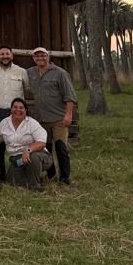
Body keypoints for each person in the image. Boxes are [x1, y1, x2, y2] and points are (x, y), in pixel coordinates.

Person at [29, 47, 77, 185]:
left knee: (61, 149)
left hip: (58, 120)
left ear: (48, 56)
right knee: (46, 149)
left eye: (42, 55)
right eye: (37, 56)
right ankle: (51, 175)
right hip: (41, 121)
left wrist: (68, 115)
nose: (40, 58)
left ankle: (65, 178)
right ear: (33, 58)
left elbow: (69, 96)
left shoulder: (60, 73)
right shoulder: (31, 73)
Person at [0, 97, 52, 191]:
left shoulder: (32, 123)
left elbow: (42, 142)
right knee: (11, 181)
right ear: (11, 109)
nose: (18, 110)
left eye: (21, 108)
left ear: (26, 110)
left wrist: (28, 150)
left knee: (32, 157)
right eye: (15, 107)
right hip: (18, 160)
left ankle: (35, 186)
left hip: (40, 155)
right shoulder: (4, 123)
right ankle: (34, 179)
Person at [0, 45, 28, 130]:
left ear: (12, 55)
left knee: (17, 139)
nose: (5, 56)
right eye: (2, 54)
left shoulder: (21, 71)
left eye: (7, 54)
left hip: (17, 112)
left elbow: (28, 88)